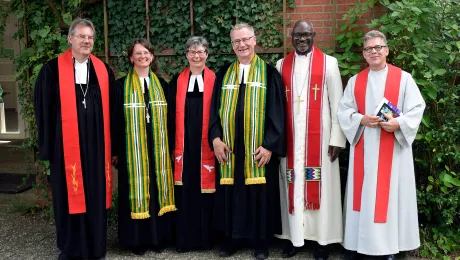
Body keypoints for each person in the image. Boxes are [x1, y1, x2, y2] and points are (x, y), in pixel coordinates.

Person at [337, 30, 425, 260]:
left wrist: (398, 123)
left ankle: (389, 248)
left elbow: (416, 109)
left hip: (392, 150)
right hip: (364, 149)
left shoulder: (403, 79)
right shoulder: (356, 81)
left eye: (378, 48)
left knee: (390, 197)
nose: (374, 52)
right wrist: (361, 119)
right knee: (364, 196)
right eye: (369, 49)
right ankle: (359, 245)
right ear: (364, 54)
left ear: (386, 50)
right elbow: (344, 111)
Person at [34, 18, 115, 260]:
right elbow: (43, 110)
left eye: (90, 37)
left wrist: (114, 148)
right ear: (70, 39)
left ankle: (95, 245)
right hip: (65, 147)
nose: (87, 41)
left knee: (94, 192)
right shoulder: (51, 70)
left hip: (97, 146)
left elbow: (112, 111)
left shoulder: (102, 70)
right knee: (69, 193)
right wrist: (48, 147)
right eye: (81, 36)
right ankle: (72, 247)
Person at [208, 22, 286, 260]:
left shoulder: (270, 73)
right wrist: (216, 139)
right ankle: (231, 239)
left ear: (255, 40)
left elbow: (278, 113)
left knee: (259, 195)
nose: (241, 45)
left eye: (245, 40)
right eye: (236, 41)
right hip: (231, 149)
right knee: (231, 194)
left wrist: (270, 145)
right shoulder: (224, 73)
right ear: (232, 45)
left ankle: (260, 242)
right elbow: (213, 110)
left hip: (258, 148)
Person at [275, 20, 346, 260]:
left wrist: (337, 138)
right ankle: (293, 238)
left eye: (306, 35)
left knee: (321, 188)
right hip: (292, 140)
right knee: (292, 186)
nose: (302, 39)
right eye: (297, 35)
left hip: (321, 139)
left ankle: (322, 241)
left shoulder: (329, 63)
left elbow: (338, 104)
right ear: (291, 37)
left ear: (314, 35)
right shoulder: (280, 65)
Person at [112, 38, 176, 256]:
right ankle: (136, 241)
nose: (142, 56)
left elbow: (172, 122)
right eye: (137, 53)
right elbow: (114, 121)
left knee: (157, 189)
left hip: (159, 150)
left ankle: (158, 238)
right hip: (132, 152)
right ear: (131, 58)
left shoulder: (163, 85)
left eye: (146, 53)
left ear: (152, 56)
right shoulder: (120, 87)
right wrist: (115, 151)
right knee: (135, 191)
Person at [168, 36, 216, 252]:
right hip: (184, 146)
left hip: (207, 144)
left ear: (207, 54)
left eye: (201, 52)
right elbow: (169, 116)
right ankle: (185, 239)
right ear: (186, 54)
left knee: (206, 193)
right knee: (185, 191)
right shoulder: (176, 82)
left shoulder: (217, 80)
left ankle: (205, 239)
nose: (197, 56)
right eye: (192, 52)